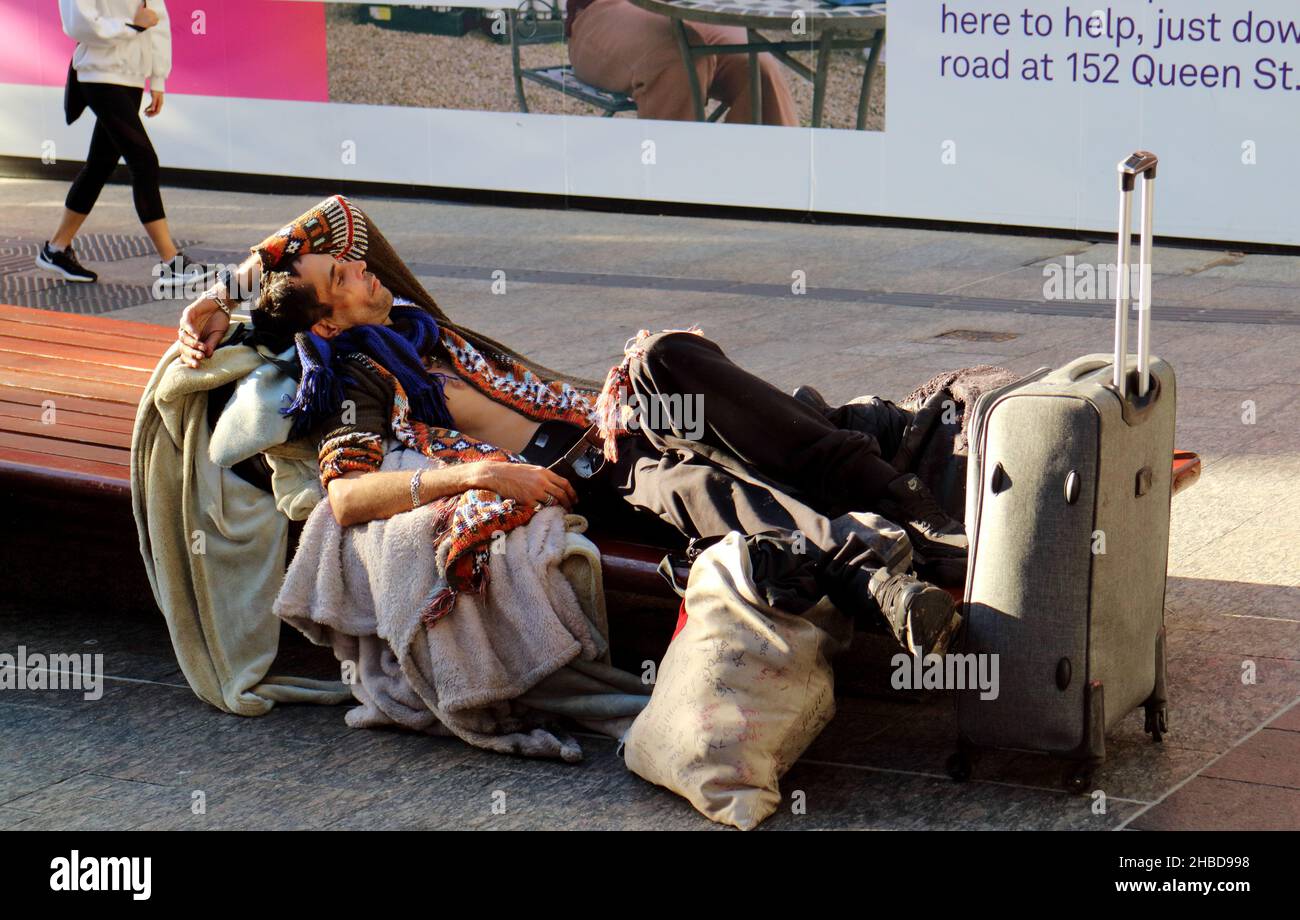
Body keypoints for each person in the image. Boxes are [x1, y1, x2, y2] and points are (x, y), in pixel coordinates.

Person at [176, 197, 966, 655]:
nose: (358, 266)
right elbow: (346, 499)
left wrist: (229, 285)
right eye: (338, 277)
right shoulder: (358, 374)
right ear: (325, 322)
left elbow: (341, 214)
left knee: (666, 354)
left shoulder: (412, 318)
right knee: (697, 484)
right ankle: (881, 577)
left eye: (347, 263)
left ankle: (894, 494)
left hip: (613, 412)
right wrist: (480, 474)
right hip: (599, 469)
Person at [37, 0, 208, 289]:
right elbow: (78, 23)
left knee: (100, 165)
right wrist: (131, 27)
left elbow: (158, 19)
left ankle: (56, 249)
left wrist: (158, 79)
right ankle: (171, 262)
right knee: (143, 161)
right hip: (98, 73)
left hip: (131, 78)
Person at [565, 0, 798, 126]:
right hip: (606, 8)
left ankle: (767, 188)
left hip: (692, 8)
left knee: (757, 65)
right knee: (678, 61)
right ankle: (672, 191)